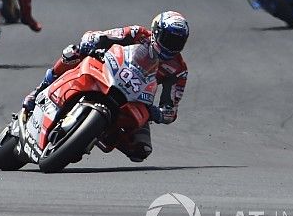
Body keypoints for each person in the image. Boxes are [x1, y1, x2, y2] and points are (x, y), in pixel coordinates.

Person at [22, 11, 190, 162]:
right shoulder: (138, 33)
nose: (172, 46)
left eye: (178, 42)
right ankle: (39, 90)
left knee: (141, 150)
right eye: (169, 39)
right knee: (72, 53)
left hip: (136, 97)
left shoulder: (179, 70)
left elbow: (171, 108)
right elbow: (106, 36)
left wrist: (160, 113)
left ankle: (93, 135)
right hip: (111, 71)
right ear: (157, 32)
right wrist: (92, 40)